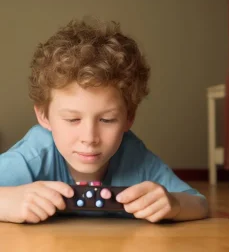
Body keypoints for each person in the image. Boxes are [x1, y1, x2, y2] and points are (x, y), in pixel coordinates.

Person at [0, 17, 208, 224]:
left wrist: (174, 204)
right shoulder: (35, 154)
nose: (90, 138)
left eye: (107, 120)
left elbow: (199, 204)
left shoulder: (134, 157)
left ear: (129, 117)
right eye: (73, 119)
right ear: (44, 116)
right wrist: (7, 202)